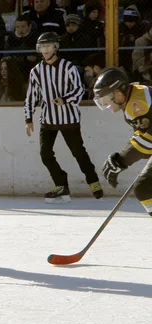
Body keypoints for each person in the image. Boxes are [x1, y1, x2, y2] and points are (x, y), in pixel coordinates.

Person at [24, 32, 103, 203]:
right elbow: (31, 96)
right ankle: (61, 184)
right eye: (42, 46)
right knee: (45, 154)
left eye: (48, 46)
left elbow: (79, 90)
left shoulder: (68, 67)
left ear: (56, 47)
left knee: (78, 152)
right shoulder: (36, 71)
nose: (44, 50)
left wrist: (65, 99)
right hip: (47, 119)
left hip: (69, 119)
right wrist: (28, 118)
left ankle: (93, 181)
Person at [93, 68, 152, 217]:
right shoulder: (134, 96)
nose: (105, 102)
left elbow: (148, 140)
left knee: (144, 188)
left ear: (119, 93)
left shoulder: (137, 103)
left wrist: (121, 160)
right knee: (144, 188)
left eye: (107, 97)